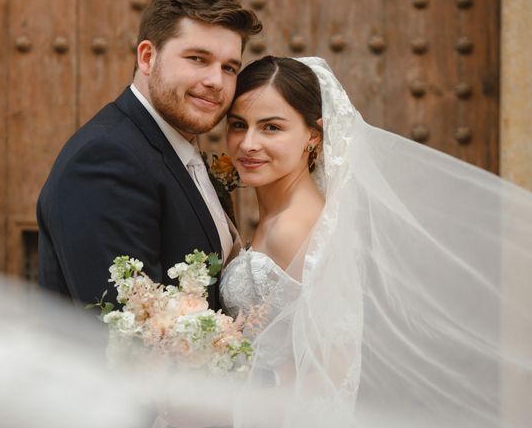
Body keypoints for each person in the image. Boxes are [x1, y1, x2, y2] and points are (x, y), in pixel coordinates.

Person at [215, 56, 532, 427]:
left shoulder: (295, 228)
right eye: (238, 125)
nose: (248, 143)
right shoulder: (281, 214)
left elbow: (328, 372)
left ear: (313, 135)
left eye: (271, 127)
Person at [37, 0, 262, 308]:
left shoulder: (173, 148)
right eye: (198, 58)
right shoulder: (105, 162)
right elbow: (124, 333)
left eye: (229, 67)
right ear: (147, 57)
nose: (216, 81)